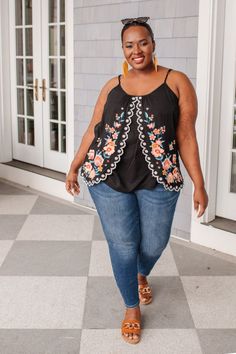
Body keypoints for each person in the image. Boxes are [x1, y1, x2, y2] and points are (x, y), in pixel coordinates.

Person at [65, 16, 208, 345]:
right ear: (123, 50)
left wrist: (199, 183)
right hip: (107, 177)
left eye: (142, 42)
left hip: (160, 178)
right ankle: (131, 307)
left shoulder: (177, 81)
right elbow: (92, 129)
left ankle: (140, 273)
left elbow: (185, 135)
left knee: (155, 242)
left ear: (153, 45)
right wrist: (74, 165)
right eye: (129, 45)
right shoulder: (112, 85)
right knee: (123, 246)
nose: (136, 50)